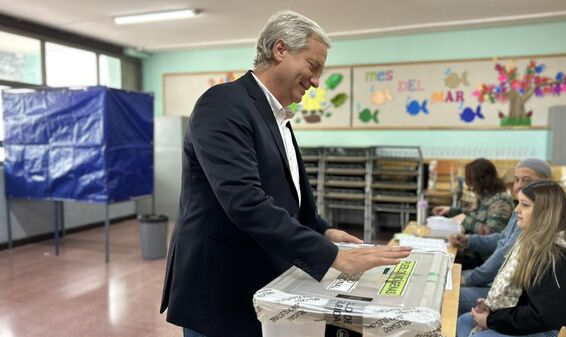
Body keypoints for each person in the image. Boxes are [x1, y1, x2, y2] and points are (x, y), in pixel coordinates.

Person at [160, 11, 412, 337]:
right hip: (218, 290)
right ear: (280, 50)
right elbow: (245, 201)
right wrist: (333, 257)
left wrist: (322, 230)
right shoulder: (222, 104)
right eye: (313, 66)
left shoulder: (278, 118)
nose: (317, 81)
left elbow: (283, 195)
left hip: (260, 282)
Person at [456, 180, 566, 337]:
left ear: (545, 212)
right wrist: (493, 309)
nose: (517, 210)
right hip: (546, 321)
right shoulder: (538, 243)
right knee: (465, 321)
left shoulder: (565, 256)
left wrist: (492, 320)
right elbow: (531, 297)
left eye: (524, 205)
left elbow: (545, 316)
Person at [455, 158, 551, 315]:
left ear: (546, 183)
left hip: (510, 295)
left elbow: (504, 252)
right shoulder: (521, 208)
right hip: (497, 280)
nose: (519, 185)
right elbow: (502, 239)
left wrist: (470, 279)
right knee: (446, 281)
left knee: (448, 294)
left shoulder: (536, 216)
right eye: (516, 179)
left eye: (527, 180)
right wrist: (469, 241)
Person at [433, 158, 513, 236]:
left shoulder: (501, 201)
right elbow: (473, 214)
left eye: (472, 182)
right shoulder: (485, 197)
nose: (470, 188)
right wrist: (450, 211)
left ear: (482, 180)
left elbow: (491, 234)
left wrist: (466, 221)